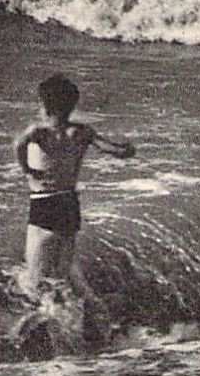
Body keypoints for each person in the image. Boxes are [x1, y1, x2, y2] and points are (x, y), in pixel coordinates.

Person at [13, 74, 135, 289]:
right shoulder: (82, 132)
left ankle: (47, 319)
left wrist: (28, 170)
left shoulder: (38, 132)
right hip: (70, 207)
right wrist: (126, 150)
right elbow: (111, 149)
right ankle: (72, 318)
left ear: (44, 106)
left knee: (34, 279)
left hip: (44, 205)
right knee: (61, 276)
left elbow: (18, 146)